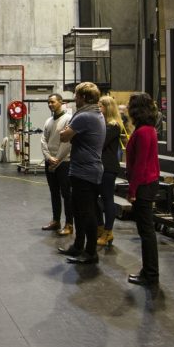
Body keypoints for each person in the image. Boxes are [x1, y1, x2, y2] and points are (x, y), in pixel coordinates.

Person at [57, 81, 106, 265]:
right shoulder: (94, 113)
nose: (74, 98)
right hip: (85, 170)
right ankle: (78, 246)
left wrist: (68, 130)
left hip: (85, 172)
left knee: (87, 213)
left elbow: (63, 136)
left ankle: (91, 252)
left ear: (84, 98)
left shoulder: (84, 116)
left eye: (76, 95)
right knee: (79, 211)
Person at [125, 92, 161, 286]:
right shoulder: (145, 129)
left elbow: (140, 165)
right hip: (146, 182)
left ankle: (151, 274)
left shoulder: (145, 131)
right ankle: (148, 271)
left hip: (144, 184)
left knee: (146, 231)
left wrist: (132, 191)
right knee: (145, 231)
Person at [40, 93, 74, 235]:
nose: (50, 104)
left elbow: (67, 143)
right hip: (51, 161)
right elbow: (43, 140)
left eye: (53, 102)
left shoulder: (68, 119)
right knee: (54, 193)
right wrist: (48, 158)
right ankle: (56, 220)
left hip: (64, 162)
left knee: (66, 194)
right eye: (48, 102)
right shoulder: (48, 121)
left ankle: (69, 224)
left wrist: (57, 160)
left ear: (61, 102)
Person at [96, 96, 126, 248]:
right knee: (95, 198)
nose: (97, 109)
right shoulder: (102, 124)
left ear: (107, 108)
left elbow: (99, 143)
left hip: (108, 167)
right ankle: (100, 228)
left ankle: (108, 231)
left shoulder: (113, 125)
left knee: (107, 199)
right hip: (98, 166)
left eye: (100, 106)